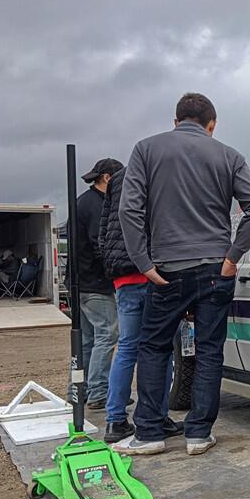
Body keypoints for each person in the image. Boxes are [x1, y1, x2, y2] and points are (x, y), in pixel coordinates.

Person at [116, 93, 250, 455]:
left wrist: (144, 263)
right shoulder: (229, 156)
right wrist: (232, 257)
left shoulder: (146, 150)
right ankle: (199, 434)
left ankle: (150, 433)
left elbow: (129, 211)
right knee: (210, 350)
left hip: (166, 270)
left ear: (176, 120)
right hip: (216, 270)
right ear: (211, 124)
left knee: (152, 348)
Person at [99, 166, 184, 443]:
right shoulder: (157, 174)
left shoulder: (117, 180)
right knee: (162, 348)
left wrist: (114, 269)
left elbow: (104, 229)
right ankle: (158, 416)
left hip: (123, 278)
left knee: (126, 348)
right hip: (153, 273)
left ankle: (115, 420)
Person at [69, 158, 123, 409]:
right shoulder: (98, 206)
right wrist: (117, 269)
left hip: (79, 282)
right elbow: (100, 244)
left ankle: (80, 391)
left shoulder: (82, 202)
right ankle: (99, 392)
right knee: (108, 335)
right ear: (108, 178)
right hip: (95, 283)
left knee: (88, 340)